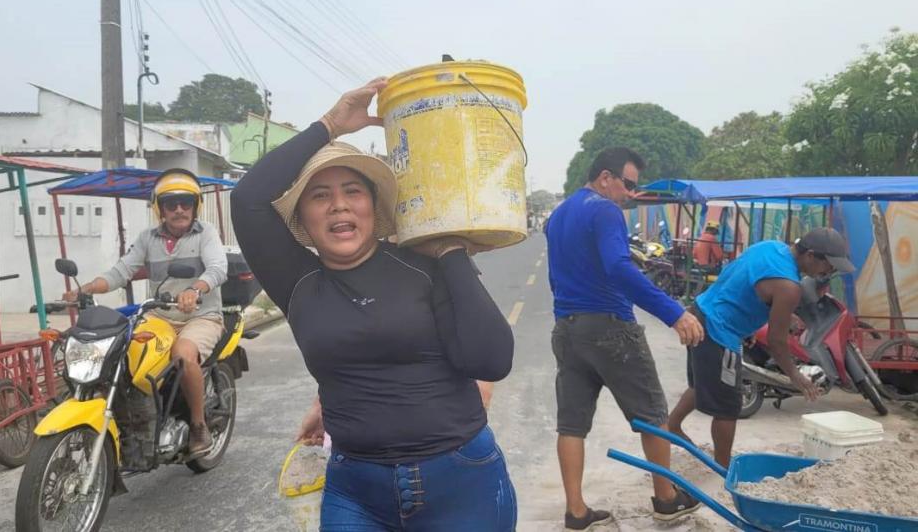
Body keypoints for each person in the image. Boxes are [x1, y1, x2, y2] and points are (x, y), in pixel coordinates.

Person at [230, 78, 517, 531]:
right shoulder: (297, 282)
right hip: (355, 490)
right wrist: (330, 124)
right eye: (320, 196)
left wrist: (450, 252)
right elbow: (247, 198)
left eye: (353, 191)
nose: (338, 206)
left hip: (461, 482)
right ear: (302, 217)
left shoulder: (424, 266)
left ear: (372, 205)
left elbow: (492, 359)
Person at [545, 147, 705, 530]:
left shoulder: (559, 214)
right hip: (610, 327)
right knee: (653, 415)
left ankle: (576, 512)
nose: (631, 194)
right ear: (606, 178)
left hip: (567, 328)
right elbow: (618, 268)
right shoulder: (604, 211)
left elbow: (556, 276)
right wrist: (674, 312)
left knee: (571, 424)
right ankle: (666, 500)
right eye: (629, 184)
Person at [63, 168, 228, 457]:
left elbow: (217, 268)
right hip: (160, 315)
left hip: (201, 316)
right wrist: (85, 289)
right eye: (171, 204)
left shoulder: (206, 233)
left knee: (183, 355)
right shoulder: (147, 239)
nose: (179, 209)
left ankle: (198, 424)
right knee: (120, 351)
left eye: (185, 202)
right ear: (159, 209)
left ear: (195, 206)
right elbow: (120, 272)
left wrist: (194, 290)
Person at [667, 228, 852, 467]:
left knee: (701, 383)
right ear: (811, 256)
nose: (829, 272)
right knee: (728, 408)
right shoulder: (789, 286)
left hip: (700, 314)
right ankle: (723, 469)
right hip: (719, 331)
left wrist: (752, 326)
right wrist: (795, 376)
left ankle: (673, 425)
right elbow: (777, 342)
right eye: (829, 266)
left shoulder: (771, 247)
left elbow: (740, 282)